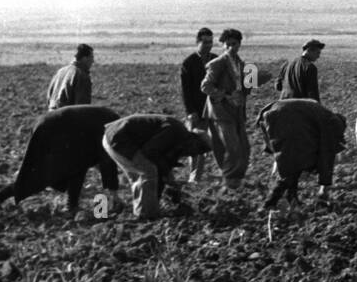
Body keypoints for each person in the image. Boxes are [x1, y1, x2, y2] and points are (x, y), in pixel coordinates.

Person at [0, 105, 122, 221]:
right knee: (43, 175)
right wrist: (114, 194)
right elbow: (106, 162)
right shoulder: (115, 130)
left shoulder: (113, 123)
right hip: (55, 129)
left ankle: (71, 207)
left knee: (77, 166)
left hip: (58, 126)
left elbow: (96, 159)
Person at [102, 114, 212, 221]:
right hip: (118, 137)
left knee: (140, 175)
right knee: (149, 171)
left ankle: (141, 213)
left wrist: (169, 181)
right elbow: (150, 151)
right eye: (199, 150)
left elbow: (160, 165)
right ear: (194, 140)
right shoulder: (177, 132)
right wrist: (167, 175)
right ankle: (149, 215)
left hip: (113, 136)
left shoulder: (179, 139)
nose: (194, 155)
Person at [257, 99, 347, 210]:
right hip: (287, 117)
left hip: (269, 113)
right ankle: (270, 203)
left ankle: (292, 198)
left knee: (294, 160)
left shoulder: (323, 115)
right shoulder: (331, 125)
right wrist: (324, 188)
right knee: (294, 162)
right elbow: (326, 156)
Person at [201, 28, 250, 190]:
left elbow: (246, 88)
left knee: (244, 146)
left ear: (239, 45)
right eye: (227, 44)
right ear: (222, 45)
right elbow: (205, 86)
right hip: (221, 111)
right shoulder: (217, 64)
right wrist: (225, 95)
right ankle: (229, 180)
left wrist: (246, 88)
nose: (230, 47)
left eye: (234, 44)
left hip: (237, 111)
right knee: (231, 146)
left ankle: (236, 180)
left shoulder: (241, 64)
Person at [180, 27, 220, 183]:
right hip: (196, 111)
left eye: (210, 42)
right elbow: (185, 90)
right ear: (197, 42)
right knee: (195, 146)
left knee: (206, 145)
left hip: (212, 110)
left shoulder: (216, 60)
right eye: (205, 42)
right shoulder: (189, 63)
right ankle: (193, 174)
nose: (208, 45)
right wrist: (190, 111)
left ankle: (197, 176)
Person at [47, 44, 94, 110]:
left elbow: (49, 96)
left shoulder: (60, 71)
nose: (93, 61)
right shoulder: (82, 76)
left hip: (52, 114)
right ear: (84, 58)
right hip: (67, 116)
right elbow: (82, 107)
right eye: (91, 57)